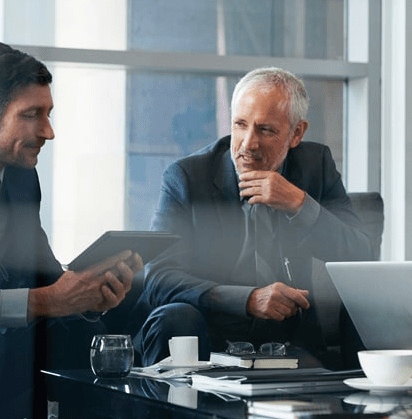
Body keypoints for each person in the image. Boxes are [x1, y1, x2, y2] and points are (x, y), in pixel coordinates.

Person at [134, 67, 374, 367]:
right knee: (176, 317)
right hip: (208, 336)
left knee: (372, 306)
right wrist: (247, 299)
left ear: (296, 133)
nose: (248, 143)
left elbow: (361, 254)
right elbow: (159, 279)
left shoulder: (316, 166)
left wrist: (300, 205)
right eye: (240, 124)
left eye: (266, 130)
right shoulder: (187, 178)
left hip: (289, 342)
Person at [0, 42, 144, 418]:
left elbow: (43, 269)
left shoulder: (21, 178)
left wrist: (89, 294)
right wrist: (49, 300)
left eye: (48, 114)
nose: (48, 132)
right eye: (31, 115)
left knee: (111, 315)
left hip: (1, 345)